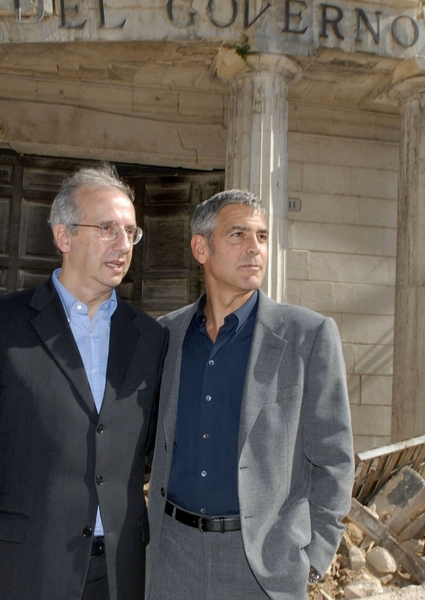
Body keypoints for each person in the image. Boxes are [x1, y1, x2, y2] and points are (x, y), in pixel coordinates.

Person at [0, 165, 167, 600]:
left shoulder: (149, 338)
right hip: (20, 571)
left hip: (119, 575)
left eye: (130, 233)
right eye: (108, 228)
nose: (122, 244)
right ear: (64, 236)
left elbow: (154, 450)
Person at [146, 190, 354, 600]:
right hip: (171, 559)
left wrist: (313, 558)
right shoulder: (165, 336)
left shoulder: (307, 336)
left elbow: (335, 458)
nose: (255, 248)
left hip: (262, 566)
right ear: (201, 247)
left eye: (262, 236)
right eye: (238, 234)